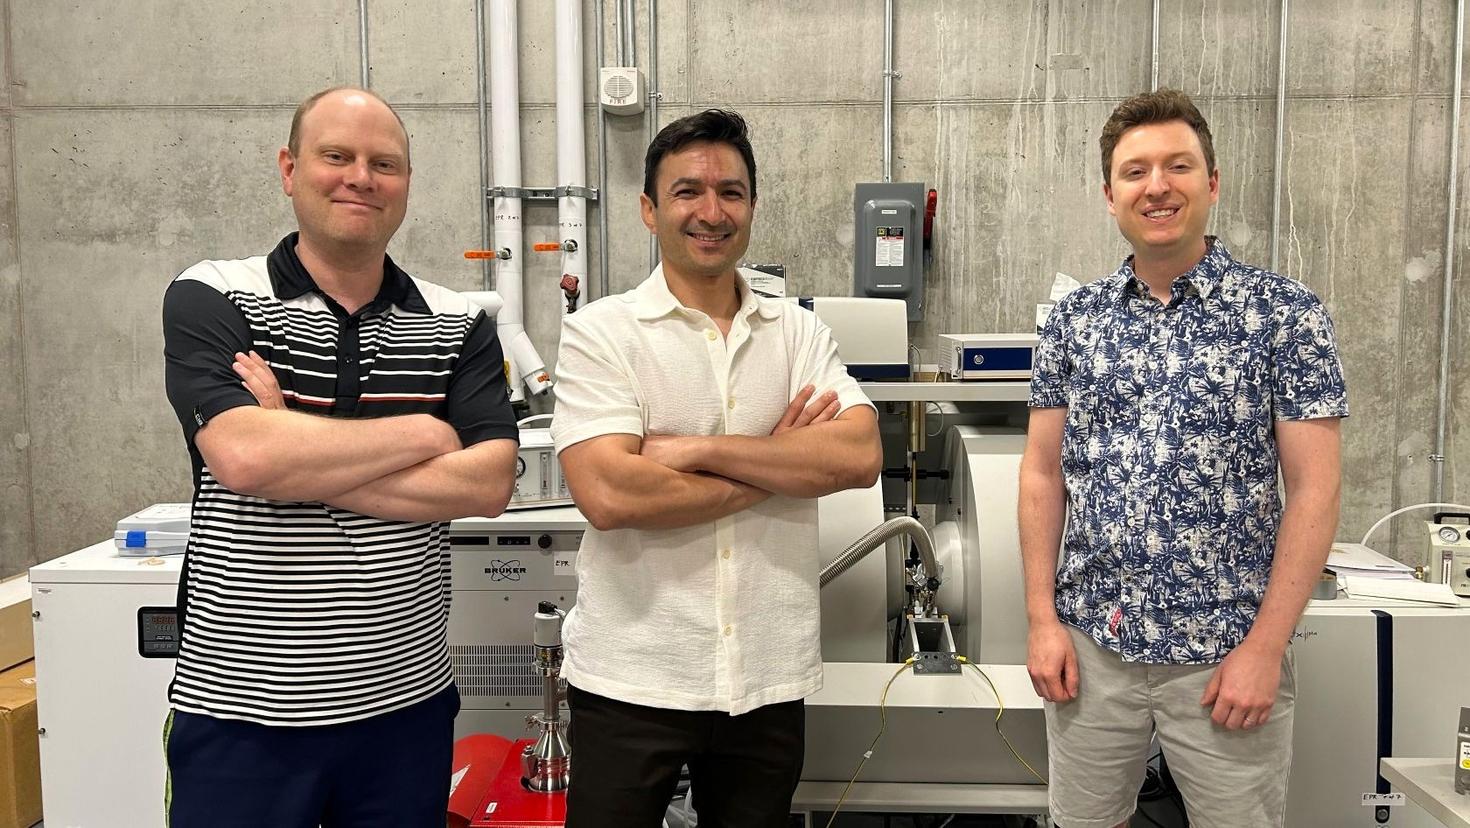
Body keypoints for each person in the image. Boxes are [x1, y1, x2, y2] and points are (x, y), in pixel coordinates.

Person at [160, 86, 519, 828]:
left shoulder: (459, 322)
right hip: (241, 718)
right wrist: (423, 435)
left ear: (407, 185)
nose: (361, 176)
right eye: (337, 156)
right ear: (290, 169)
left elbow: (488, 483)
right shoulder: (215, 294)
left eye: (385, 163)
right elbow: (245, 461)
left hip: (405, 712)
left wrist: (293, 437)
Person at [1019, 88, 1348, 828]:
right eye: (1135, 172)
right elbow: (1042, 474)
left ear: (1212, 182)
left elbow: (1316, 490)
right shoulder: (1075, 322)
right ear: (1111, 195)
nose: (1158, 185)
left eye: (1178, 166)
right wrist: (1042, 619)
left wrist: (1266, 648)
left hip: (1225, 656)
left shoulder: (1284, 316)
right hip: (1093, 649)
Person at [549, 109, 884, 828]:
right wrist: (781, 462)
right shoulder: (601, 333)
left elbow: (858, 456)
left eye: (731, 192)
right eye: (687, 193)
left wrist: (698, 450)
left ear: (753, 207)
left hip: (764, 676)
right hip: (632, 675)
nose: (711, 212)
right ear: (649, 209)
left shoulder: (796, 330)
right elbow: (608, 492)